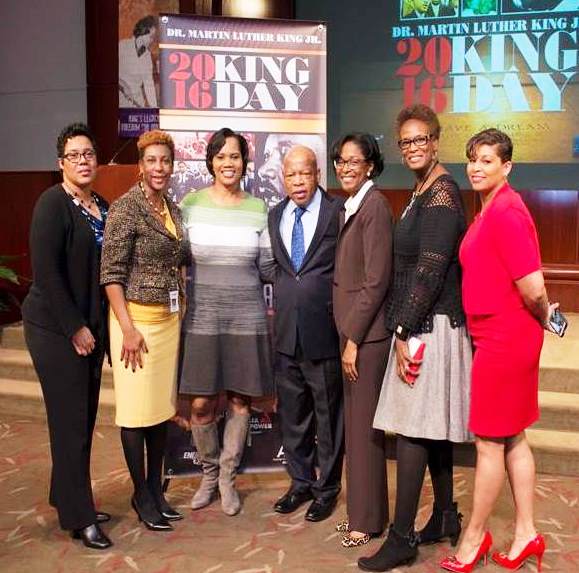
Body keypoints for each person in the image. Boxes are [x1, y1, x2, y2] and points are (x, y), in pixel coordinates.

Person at [359, 104, 471, 571]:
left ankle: (402, 537)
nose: (412, 147)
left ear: (436, 141)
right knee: (431, 428)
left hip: (430, 326)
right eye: (405, 141)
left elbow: (430, 269)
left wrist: (403, 329)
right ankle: (444, 515)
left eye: (420, 139)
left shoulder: (441, 193)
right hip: (423, 322)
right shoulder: (422, 188)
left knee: (411, 429)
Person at [440, 128, 556, 572]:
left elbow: (534, 287)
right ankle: (527, 533)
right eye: (473, 158)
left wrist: (544, 316)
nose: (476, 167)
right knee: (513, 436)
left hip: (506, 340)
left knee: (489, 442)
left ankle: (474, 538)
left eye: (487, 160)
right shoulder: (490, 206)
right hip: (498, 335)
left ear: (507, 166)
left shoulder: (506, 211)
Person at [22, 123, 112, 549]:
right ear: (61, 163)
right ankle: (80, 517)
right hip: (55, 328)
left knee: (83, 419)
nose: (83, 161)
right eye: (74, 155)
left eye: (88, 153)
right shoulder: (51, 204)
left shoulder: (102, 207)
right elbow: (47, 274)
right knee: (71, 423)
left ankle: (66, 496)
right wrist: (74, 327)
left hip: (90, 326)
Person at [179, 127, 275, 516]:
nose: (228, 163)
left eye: (234, 156)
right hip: (203, 315)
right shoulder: (190, 205)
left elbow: (268, 266)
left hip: (246, 316)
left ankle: (226, 478)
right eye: (221, 156)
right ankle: (208, 473)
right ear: (211, 162)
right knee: (202, 403)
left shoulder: (258, 208)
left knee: (240, 398)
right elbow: (176, 259)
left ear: (244, 162)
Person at [101, 129, 190, 531]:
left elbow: (179, 259)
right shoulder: (125, 208)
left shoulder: (173, 208)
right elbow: (111, 274)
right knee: (136, 414)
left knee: (159, 412)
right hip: (134, 326)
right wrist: (127, 328)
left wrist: (181, 301)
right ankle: (140, 493)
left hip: (167, 324)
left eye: (165, 161)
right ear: (140, 165)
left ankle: (156, 488)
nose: (159, 167)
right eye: (151, 160)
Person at [267, 145, 345, 523]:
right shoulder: (275, 215)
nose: (298, 181)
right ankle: (300, 482)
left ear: (317, 174)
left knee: (327, 419)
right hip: (286, 333)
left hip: (323, 331)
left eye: (304, 173)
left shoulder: (337, 212)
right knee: (293, 416)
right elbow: (282, 270)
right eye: (291, 175)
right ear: (283, 178)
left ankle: (326, 489)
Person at [331, 133, 393, 547]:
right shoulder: (352, 204)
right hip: (353, 334)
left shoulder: (376, 207)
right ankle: (363, 512)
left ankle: (367, 522)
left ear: (370, 165)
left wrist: (353, 338)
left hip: (366, 339)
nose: (346, 167)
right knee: (355, 429)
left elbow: (376, 281)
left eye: (355, 161)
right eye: (341, 160)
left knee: (365, 431)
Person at [256, 133, 327, 208]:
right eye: (267, 156)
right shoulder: (275, 213)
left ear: (317, 175)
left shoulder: (334, 211)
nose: (262, 171)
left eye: (285, 154)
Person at [119, 15, 158, 108]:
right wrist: (123, 85)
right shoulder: (122, 46)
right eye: (151, 37)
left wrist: (154, 107)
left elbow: (149, 84)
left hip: (138, 103)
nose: (152, 41)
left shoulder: (147, 56)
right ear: (143, 32)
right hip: (120, 100)